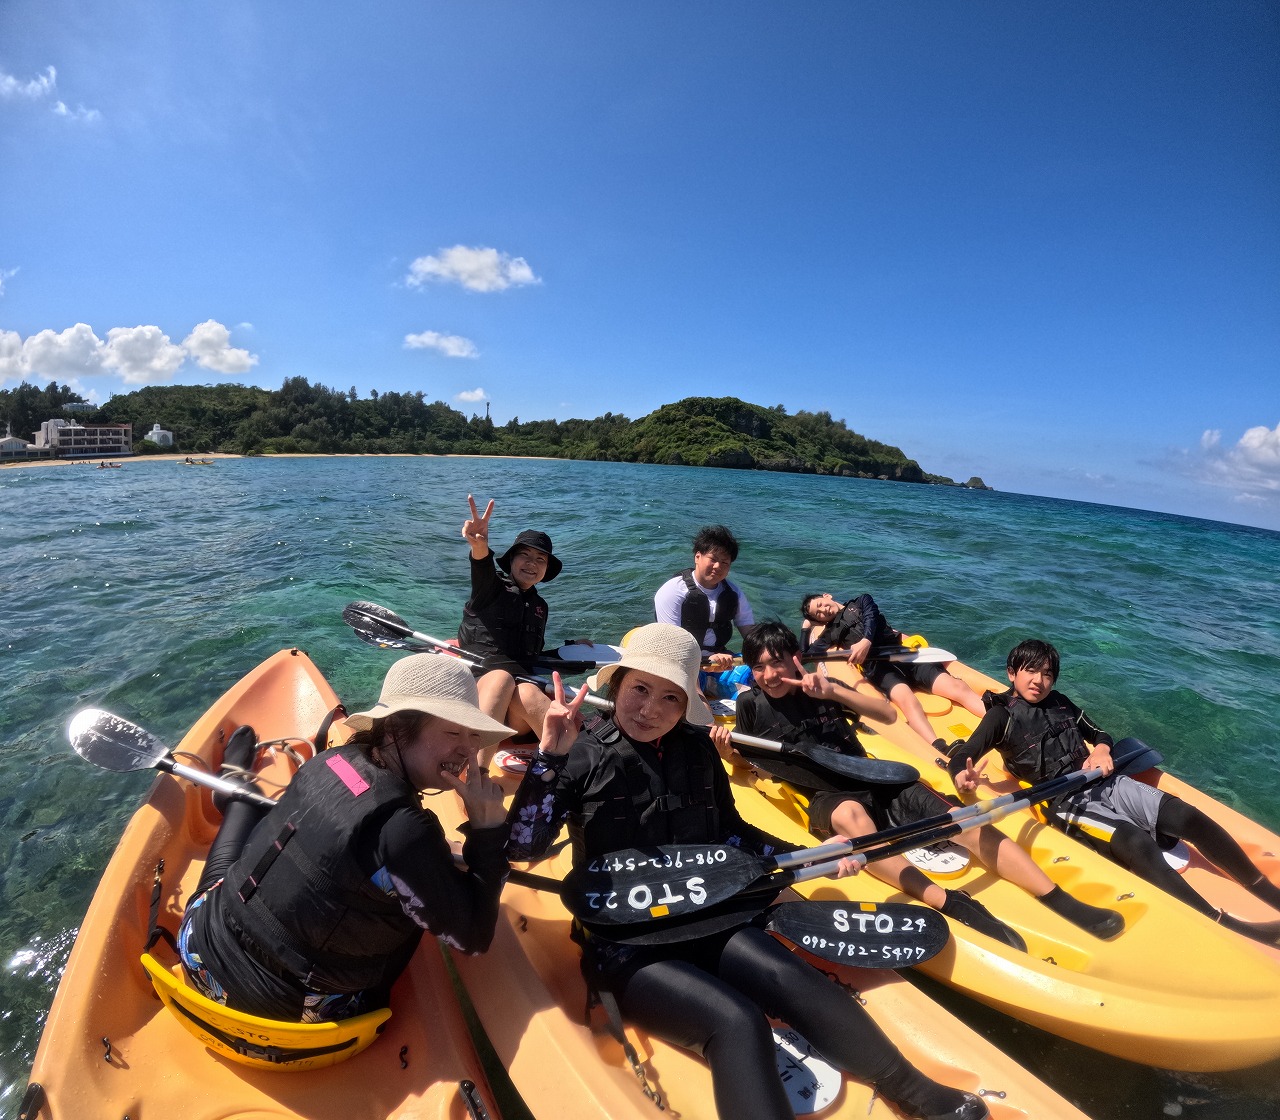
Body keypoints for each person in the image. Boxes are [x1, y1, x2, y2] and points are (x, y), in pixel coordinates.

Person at [507, 622, 989, 1120]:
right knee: (737, 1020)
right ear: (618, 685)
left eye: (670, 698)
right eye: (640, 689)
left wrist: (810, 856)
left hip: (709, 914)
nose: (650, 709)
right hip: (626, 941)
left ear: (686, 705)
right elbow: (524, 846)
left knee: (792, 976)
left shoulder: (697, 748)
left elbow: (731, 833)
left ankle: (910, 1088)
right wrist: (548, 759)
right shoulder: (579, 753)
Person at [711, 622, 1124, 950]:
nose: (769, 675)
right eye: (759, 667)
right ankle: (948, 900)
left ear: (795, 659)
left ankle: (1060, 899)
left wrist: (834, 691)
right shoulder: (750, 705)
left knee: (964, 820)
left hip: (874, 775)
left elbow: (887, 715)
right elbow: (752, 761)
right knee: (852, 816)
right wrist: (728, 752)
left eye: (777, 663)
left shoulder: (821, 685)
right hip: (825, 794)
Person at [177, 653, 513, 1022]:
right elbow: (473, 938)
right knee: (408, 917)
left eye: (473, 735)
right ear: (395, 728)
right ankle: (238, 791)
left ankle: (236, 786)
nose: (469, 750)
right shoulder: (406, 830)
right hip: (278, 1015)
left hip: (197, 949)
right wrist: (487, 832)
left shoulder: (331, 759)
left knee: (243, 845)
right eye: (452, 733)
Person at [949, 639, 1280, 946]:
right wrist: (963, 776)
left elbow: (1099, 732)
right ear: (1012, 673)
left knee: (1186, 816)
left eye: (1047, 674)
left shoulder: (1060, 702)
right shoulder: (1001, 716)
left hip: (1103, 781)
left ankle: (1264, 888)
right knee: (1137, 843)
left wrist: (1102, 749)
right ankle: (1220, 922)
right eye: (1031, 671)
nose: (1039, 680)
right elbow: (963, 755)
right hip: (1064, 801)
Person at [801, 591, 984, 749]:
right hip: (879, 668)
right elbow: (806, 655)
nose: (823, 610)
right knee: (907, 699)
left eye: (820, 604)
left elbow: (871, 618)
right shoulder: (830, 633)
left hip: (904, 656)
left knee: (955, 686)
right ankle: (940, 747)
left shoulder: (862, 600)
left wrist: (865, 641)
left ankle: (993, 718)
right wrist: (805, 628)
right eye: (818, 614)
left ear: (827, 596)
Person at [458, 493, 562, 757]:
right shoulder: (489, 588)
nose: (532, 563)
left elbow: (531, 656)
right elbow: (481, 564)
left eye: (540, 559)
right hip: (479, 692)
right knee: (502, 678)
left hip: (515, 705)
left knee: (526, 691)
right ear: (511, 560)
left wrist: (571, 648)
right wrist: (479, 545)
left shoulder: (540, 607)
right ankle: (478, 772)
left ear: (545, 569)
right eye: (525, 555)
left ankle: (571, 765)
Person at [654, 524, 754, 696]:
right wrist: (706, 660)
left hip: (721, 663)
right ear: (697, 557)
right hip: (684, 664)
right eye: (713, 559)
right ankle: (703, 693)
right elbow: (672, 646)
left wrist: (770, 653)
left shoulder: (733, 592)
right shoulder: (673, 591)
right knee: (688, 682)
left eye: (725, 562)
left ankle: (716, 685)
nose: (718, 566)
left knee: (761, 671)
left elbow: (751, 633)